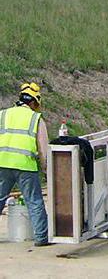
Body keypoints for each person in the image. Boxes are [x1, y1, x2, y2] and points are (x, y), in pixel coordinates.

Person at [0, 82, 50, 246]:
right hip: (25, 166)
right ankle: (41, 238)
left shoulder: (3, 114)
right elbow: (43, 148)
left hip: (3, 163)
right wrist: (46, 169)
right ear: (34, 102)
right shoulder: (36, 119)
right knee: (34, 201)